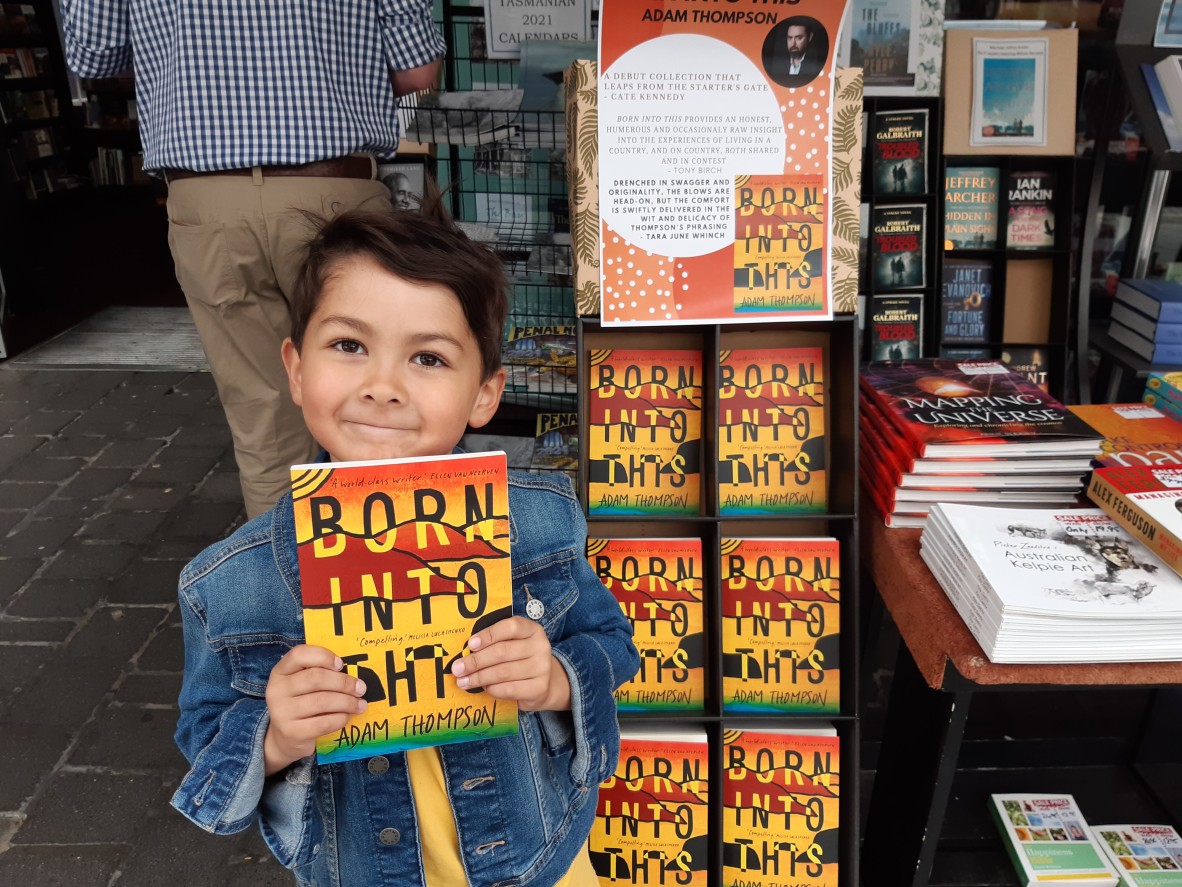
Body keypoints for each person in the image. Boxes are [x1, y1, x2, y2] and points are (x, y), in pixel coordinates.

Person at [169, 206, 640, 887]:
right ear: (296, 369)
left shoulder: (538, 525)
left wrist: (556, 677)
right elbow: (206, 738)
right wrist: (274, 735)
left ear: (484, 393)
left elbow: (611, 640)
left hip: (541, 862)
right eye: (349, 346)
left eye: (428, 357)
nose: (383, 387)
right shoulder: (230, 586)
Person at [61, 1, 446, 519]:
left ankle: (288, 587)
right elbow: (417, 69)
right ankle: (394, 575)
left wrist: (185, 58)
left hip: (208, 198)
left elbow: (94, 56)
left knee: (262, 417)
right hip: (334, 189)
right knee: (380, 397)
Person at [764, 17, 825, 87]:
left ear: (810, 37)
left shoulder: (816, 66)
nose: (793, 44)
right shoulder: (776, 64)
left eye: (799, 38)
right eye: (789, 38)